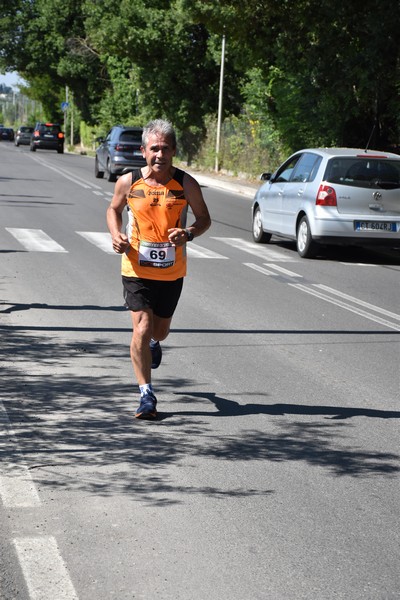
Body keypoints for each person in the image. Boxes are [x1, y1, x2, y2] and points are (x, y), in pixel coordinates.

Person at [106, 119, 211, 420]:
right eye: (154, 149)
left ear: (174, 151)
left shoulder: (186, 184)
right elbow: (113, 209)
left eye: (165, 149)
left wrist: (189, 233)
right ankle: (146, 395)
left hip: (171, 271)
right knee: (140, 326)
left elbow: (204, 219)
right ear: (143, 151)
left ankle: (155, 342)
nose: (160, 155)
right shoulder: (128, 182)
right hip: (136, 268)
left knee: (159, 331)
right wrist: (116, 235)